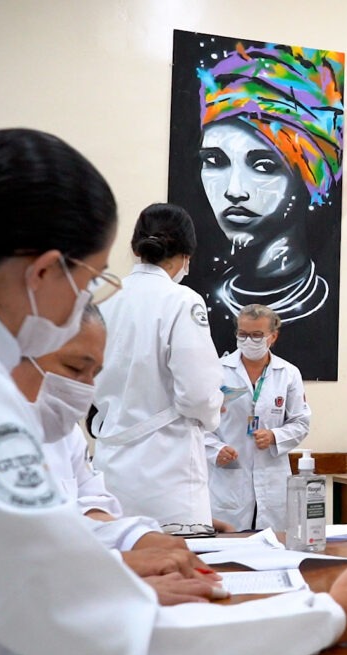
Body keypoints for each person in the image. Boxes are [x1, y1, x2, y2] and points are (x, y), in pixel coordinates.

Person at [0, 128, 347, 655]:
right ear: (43, 271)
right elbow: (114, 642)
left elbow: (28, 558)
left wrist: (118, 559)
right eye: (91, 280)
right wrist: (332, 613)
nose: (83, 311)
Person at [11, 303, 219, 582]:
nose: (86, 388)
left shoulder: (64, 431)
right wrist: (117, 564)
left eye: (95, 375)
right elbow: (16, 543)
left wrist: (137, 537)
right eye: (75, 368)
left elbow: (88, 503)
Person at [182, 38, 344, 380]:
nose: (234, 191)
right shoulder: (191, 309)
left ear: (310, 177)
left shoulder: (321, 317)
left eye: (264, 166)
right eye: (214, 161)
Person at [91, 203, 224, 534]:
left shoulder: (103, 298)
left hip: (110, 466)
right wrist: (211, 415)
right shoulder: (182, 300)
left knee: (119, 568)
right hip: (167, 474)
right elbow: (197, 393)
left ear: (136, 248)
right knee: (177, 575)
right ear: (185, 255)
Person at [205, 304, 310, 530]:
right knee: (227, 551)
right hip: (228, 479)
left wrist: (275, 436)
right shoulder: (217, 371)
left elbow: (301, 422)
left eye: (256, 335)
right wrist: (216, 449)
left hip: (272, 479)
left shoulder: (288, 374)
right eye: (242, 334)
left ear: (273, 336)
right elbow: (198, 424)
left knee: (274, 545)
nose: (248, 340)